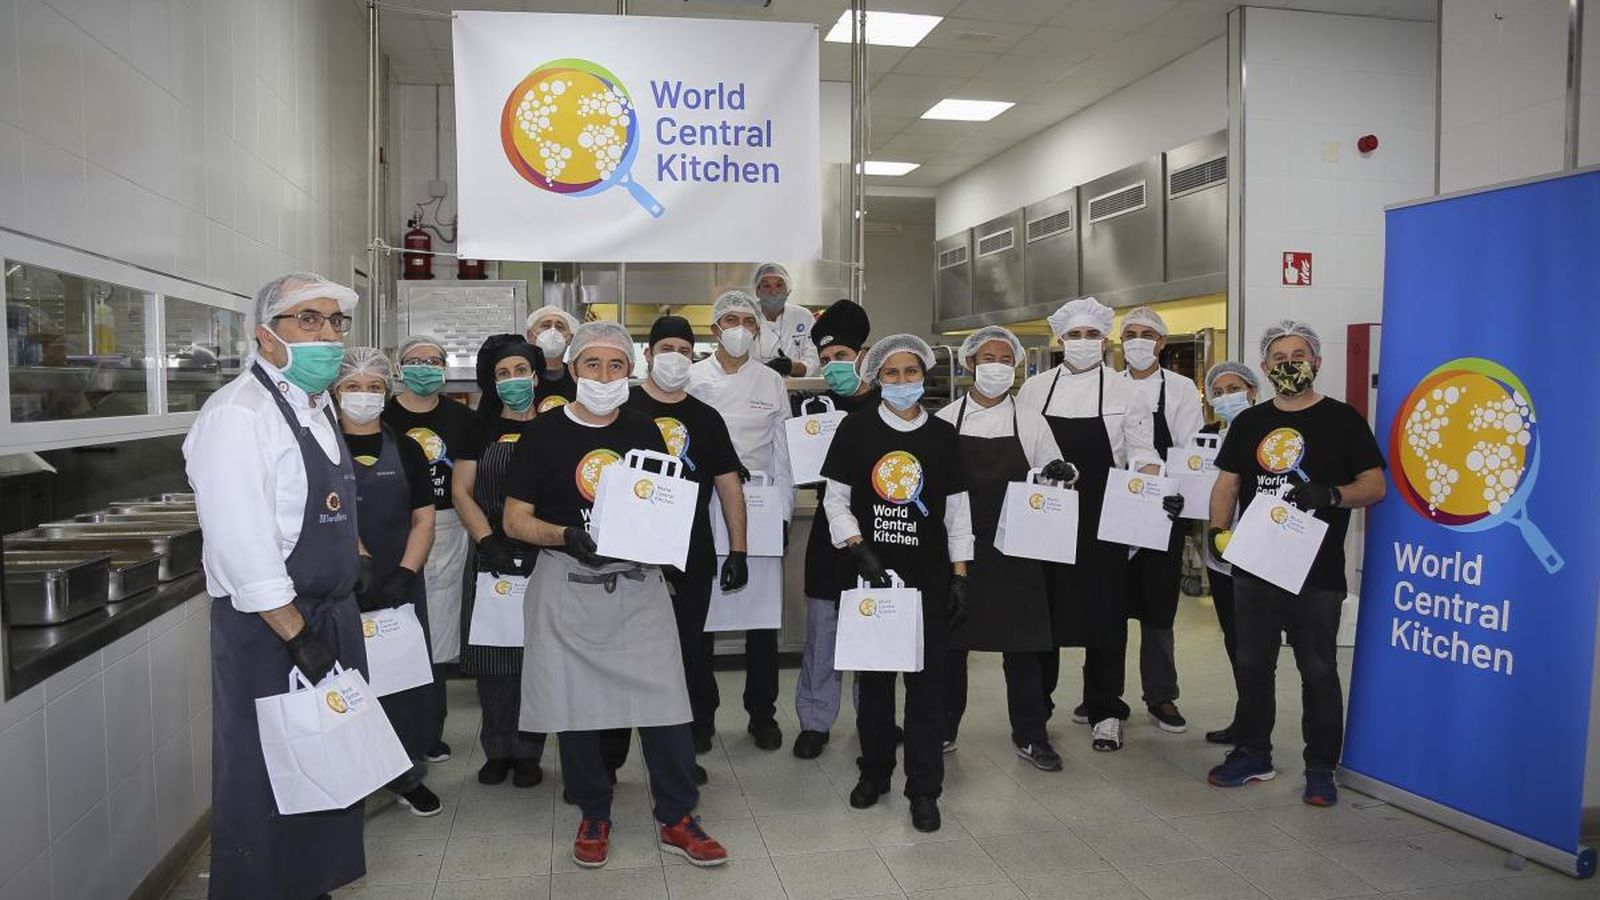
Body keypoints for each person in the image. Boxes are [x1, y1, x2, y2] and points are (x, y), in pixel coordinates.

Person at [503, 320, 730, 869]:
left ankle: (678, 815)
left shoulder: (644, 431)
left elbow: (659, 508)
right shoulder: (543, 434)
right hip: (565, 583)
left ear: (631, 372)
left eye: (616, 366)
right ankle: (594, 812)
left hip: (636, 585)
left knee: (666, 705)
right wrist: (566, 536)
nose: (604, 376)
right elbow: (514, 519)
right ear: (573, 369)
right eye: (592, 365)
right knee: (576, 710)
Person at [184, 272, 368, 899]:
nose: (328, 335)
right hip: (273, 632)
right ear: (266, 335)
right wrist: (297, 636)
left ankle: (310, 887)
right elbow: (242, 543)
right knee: (265, 780)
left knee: (326, 767)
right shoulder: (239, 414)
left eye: (335, 323)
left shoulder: (314, 406)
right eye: (308, 321)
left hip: (328, 616)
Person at [1206, 321, 1386, 807]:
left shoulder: (1343, 420)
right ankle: (1252, 753)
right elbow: (1227, 484)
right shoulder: (1249, 423)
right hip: (1255, 566)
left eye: (1299, 354)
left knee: (1319, 670)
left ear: (1317, 361)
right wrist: (1217, 533)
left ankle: (1321, 766)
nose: (1290, 364)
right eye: (1279, 357)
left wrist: (1332, 493)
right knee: (1252, 666)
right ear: (1265, 369)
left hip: (1317, 572)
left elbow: (1375, 484)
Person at [821, 333, 973, 832]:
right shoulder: (856, 431)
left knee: (928, 689)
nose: (902, 381)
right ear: (877, 377)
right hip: (872, 578)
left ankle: (924, 788)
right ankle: (875, 771)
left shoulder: (944, 436)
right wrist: (858, 546)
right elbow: (835, 501)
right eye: (892, 373)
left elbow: (957, 512)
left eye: (911, 373)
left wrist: (959, 575)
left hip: (928, 580)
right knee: (876, 684)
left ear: (923, 377)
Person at [1015, 297, 1159, 753]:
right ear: (1060, 340)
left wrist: (1156, 487)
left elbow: (1141, 452)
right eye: (1074, 335)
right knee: (1043, 614)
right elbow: (1022, 451)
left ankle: (1105, 709)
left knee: (1107, 617)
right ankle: (1035, 711)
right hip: (1050, 512)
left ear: (1105, 340)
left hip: (1104, 516)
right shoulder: (1034, 391)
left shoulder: (1126, 391)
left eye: (1092, 335)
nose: (1083, 343)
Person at [936, 326, 1076, 771]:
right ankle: (942, 726)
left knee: (1024, 648)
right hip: (960, 548)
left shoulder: (1031, 421)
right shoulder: (944, 422)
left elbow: (1062, 475)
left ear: (1014, 366)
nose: (995, 366)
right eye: (986, 358)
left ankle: (1031, 733)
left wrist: (1062, 471)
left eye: (1003, 359)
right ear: (969, 364)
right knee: (951, 647)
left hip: (1018, 547)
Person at [623, 315, 751, 783]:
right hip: (628, 556)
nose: (674, 357)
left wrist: (737, 550)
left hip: (691, 554)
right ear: (649, 355)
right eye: (665, 348)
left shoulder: (705, 417)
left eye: (683, 348)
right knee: (629, 653)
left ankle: (690, 735)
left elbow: (728, 485)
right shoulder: (623, 408)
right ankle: (616, 747)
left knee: (689, 651)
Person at [333, 347, 443, 817]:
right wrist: (360, 562)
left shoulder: (409, 447)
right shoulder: (319, 445)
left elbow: (424, 519)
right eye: (352, 387)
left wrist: (403, 574)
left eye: (374, 387)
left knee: (400, 681)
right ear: (335, 392)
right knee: (347, 681)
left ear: (388, 390)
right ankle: (351, 774)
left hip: (400, 581)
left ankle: (405, 772)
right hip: (341, 585)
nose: (364, 396)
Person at [688, 290, 793, 752]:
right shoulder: (692, 379)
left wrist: (786, 511)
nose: (737, 328)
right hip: (705, 506)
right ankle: (701, 718)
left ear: (757, 330)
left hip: (762, 506)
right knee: (702, 619)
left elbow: (784, 451)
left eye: (746, 321)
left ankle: (762, 714)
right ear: (714, 330)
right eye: (728, 320)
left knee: (762, 622)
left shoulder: (771, 381)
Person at [452, 335, 547, 787]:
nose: (513, 380)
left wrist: (537, 539)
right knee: (494, 659)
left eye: (520, 371)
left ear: (535, 374)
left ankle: (529, 752)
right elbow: (460, 491)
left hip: (543, 553)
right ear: (491, 381)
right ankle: (497, 749)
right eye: (503, 374)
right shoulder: (479, 427)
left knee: (536, 657)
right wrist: (487, 540)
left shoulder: (555, 426)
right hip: (490, 553)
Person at [382, 334, 475, 762]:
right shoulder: (380, 415)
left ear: (445, 368)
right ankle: (389, 733)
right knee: (390, 631)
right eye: (415, 360)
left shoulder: (462, 418)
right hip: (390, 526)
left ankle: (430, 729)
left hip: (446, 526)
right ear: (399, 368)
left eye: (433, 361)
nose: (424, 367)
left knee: (436, 634)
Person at [792, 299, 877, 760]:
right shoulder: (813, 406)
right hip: (830, 533)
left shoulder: (891, 402)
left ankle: (873, 717)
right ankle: (815, 720)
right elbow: (804, 470)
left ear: (864, 356)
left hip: (883, 530)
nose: (833, 368)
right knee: (823, 629)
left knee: (874, 627)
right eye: (826, 361)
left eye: (841, 358)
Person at [1118, 306, 1205, 734]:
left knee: (1158, 608)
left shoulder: (1182, 388)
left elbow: (1188, 449)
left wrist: (1176, 495)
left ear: (1162, 342)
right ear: (1119, 342)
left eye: (1147, 334)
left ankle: (1161, 694)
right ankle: (1103, 696)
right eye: (1130, 333)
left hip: (1162, 509)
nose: (1138, 340)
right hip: (1115, 507)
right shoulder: (1106, 387)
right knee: (1108, 606)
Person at [1197, 360, 1261, 746]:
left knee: (1257, 645)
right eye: (1218, 393)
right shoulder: (1206, 436)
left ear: (1253, 391)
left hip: (1260, 553)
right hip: (1220, 557)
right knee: (1235, 640)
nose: (1226, 398)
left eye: (1234, 389)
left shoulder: (1266, 433)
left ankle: (1256, 726)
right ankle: (1246, 718)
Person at [752, 262, 821, 377]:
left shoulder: (803, 316)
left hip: (795, 388)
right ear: (757, 291)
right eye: (766, 286)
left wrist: (790, 367)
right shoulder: (748, 316)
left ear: (788, 290)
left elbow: (813, 358)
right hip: (754, 386)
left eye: (779, 285)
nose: (773, 292)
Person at [525, 304, 581, 412]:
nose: (553, 332)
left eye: (560, 327)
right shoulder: (520, 377)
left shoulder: (578, 379)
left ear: (570, 338)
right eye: (545, 326)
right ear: (530, 336)